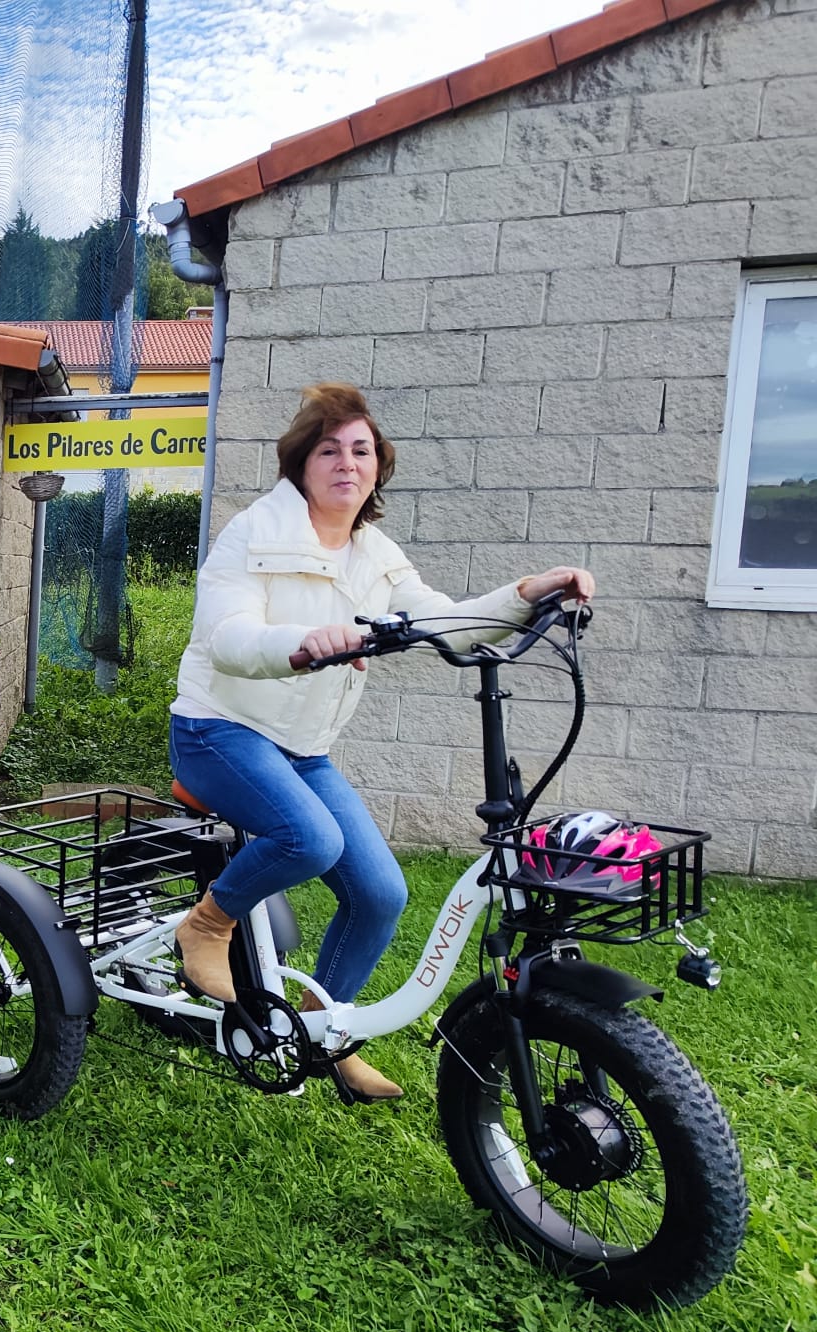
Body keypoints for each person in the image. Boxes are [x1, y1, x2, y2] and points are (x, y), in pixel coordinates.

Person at [168, 382, 593, 1102]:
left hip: (301, 750)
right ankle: (207, 925)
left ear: (377, 467)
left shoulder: (376, 556)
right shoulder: (253, 534)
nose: (347, 463)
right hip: (217, 730)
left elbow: (446, 622)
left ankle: (323, 1032)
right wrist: (304, 642)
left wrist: (529, 592)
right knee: (311, 839)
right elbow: (227, 637)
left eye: (361, 451)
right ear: (301, 463)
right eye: (329, 450)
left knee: (381, 894)